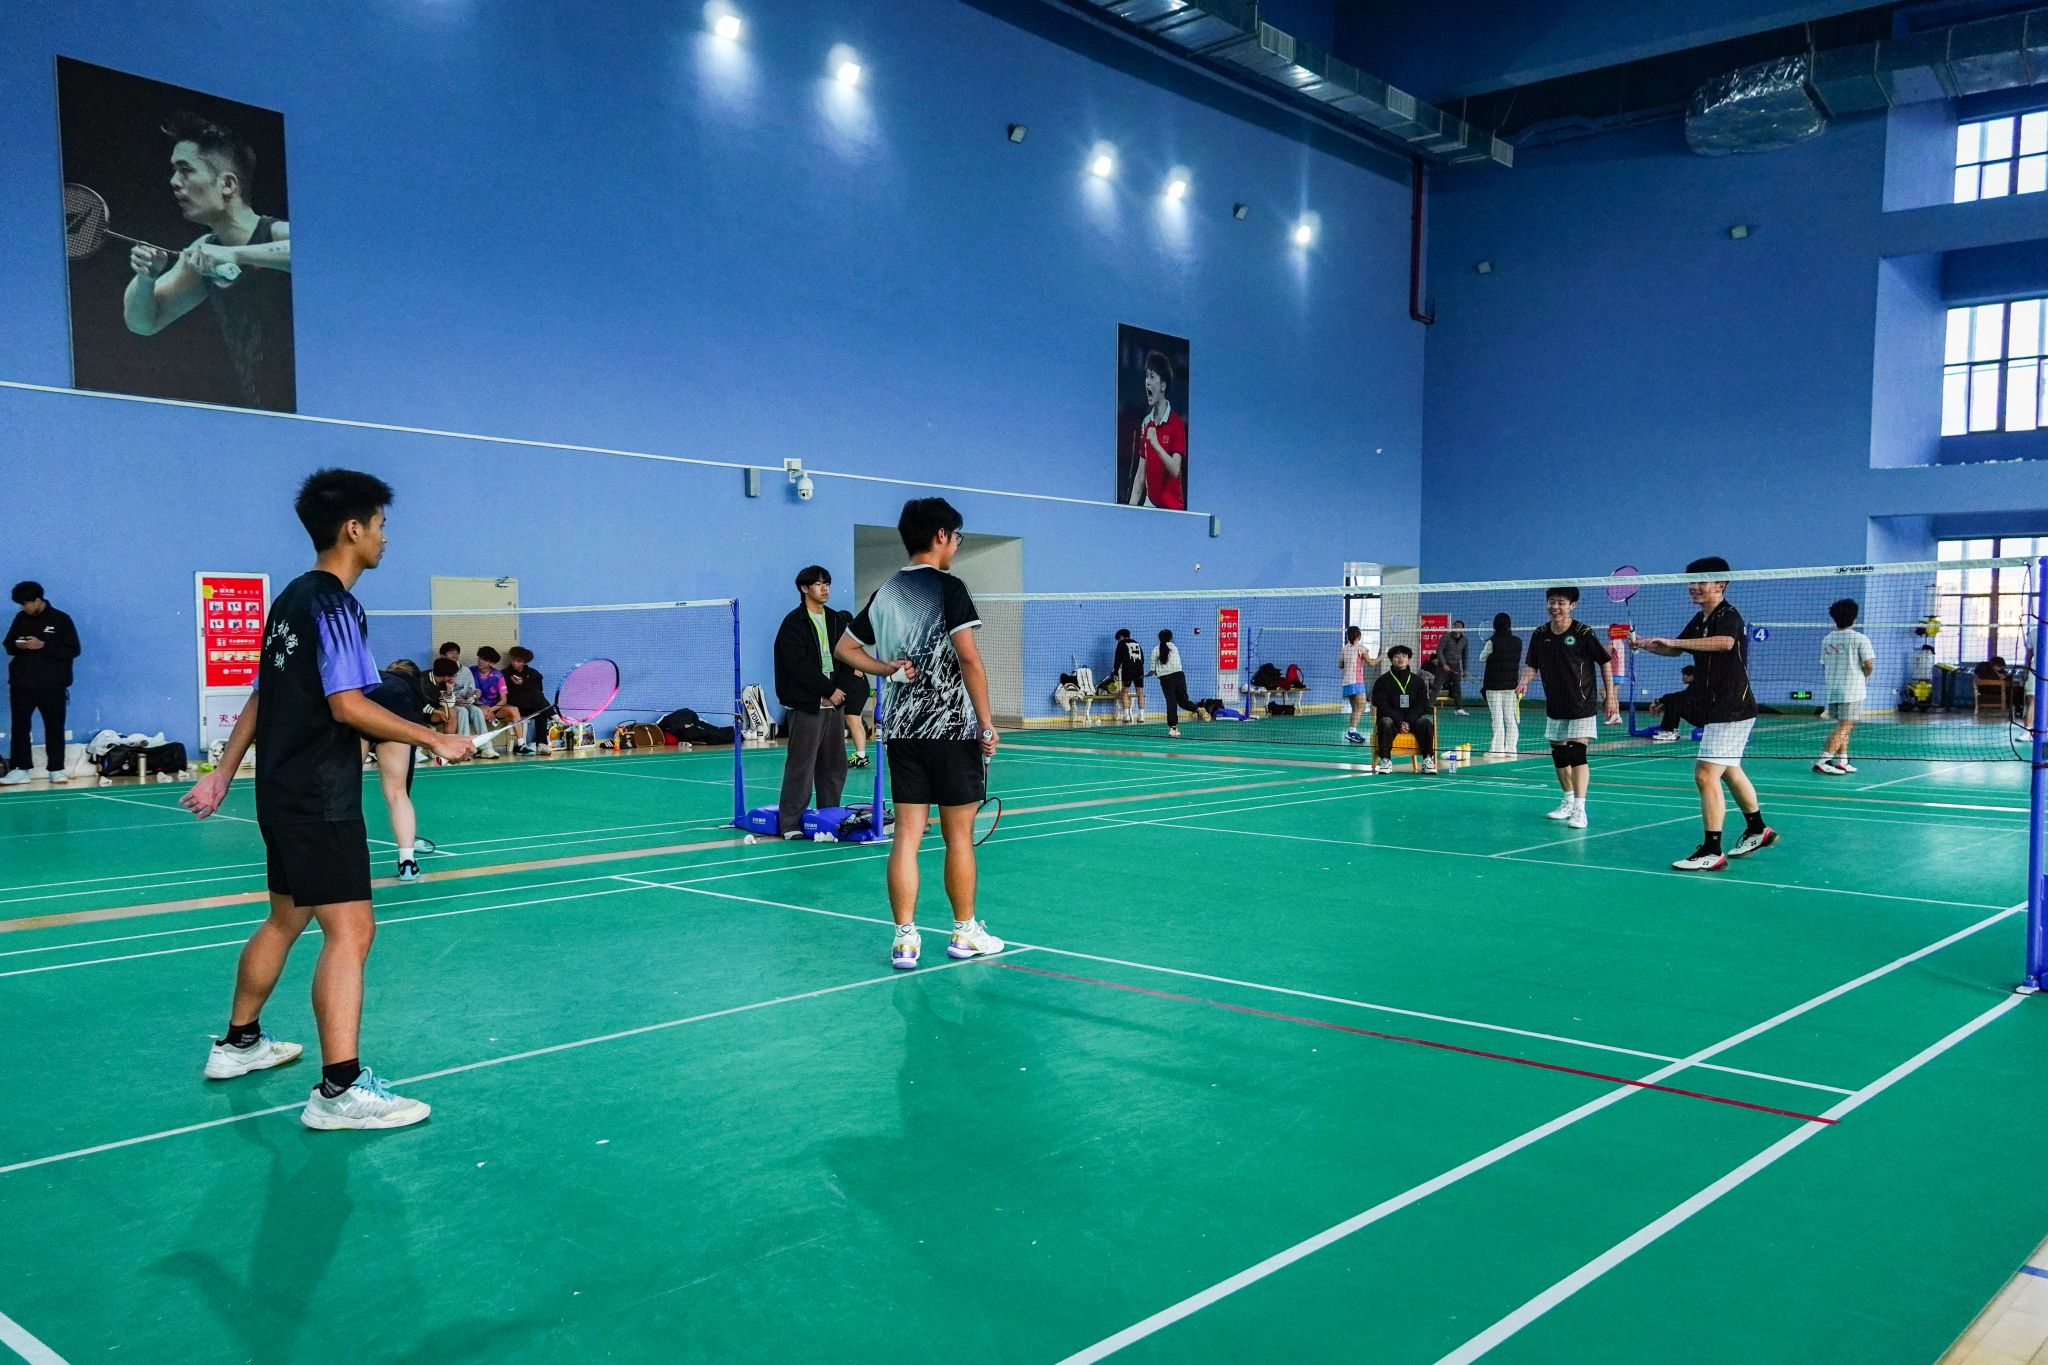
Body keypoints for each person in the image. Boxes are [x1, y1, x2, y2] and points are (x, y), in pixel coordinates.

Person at [180, 469, 473, 1130]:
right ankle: (339, 1091)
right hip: (320, 794)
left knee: (286, 918)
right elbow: (347, 705)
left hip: (282, 790)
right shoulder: (337, 605)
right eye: (381, 525)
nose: (385, 537)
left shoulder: (290, 599)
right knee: (352, 929)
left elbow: (263, 696)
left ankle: (239, 1044)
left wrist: (224, 772)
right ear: (353, 528)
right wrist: (435, 737)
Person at [834, 497, 1004, 970]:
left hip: (903, 732)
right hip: (951, 731)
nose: (957, 545)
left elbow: (845, 648)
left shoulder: (886, 592)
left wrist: (885, 667)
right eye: (957, 536)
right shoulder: (949, 587)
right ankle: (964, 931)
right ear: (941, 535)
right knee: (958, 837)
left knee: (907, 836)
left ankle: (905, 940)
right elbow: (969, 659)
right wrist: (987, 722)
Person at [122, 111, 295, 412]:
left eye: (185, 170)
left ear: (227, 184)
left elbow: (316, 258)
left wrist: (236, 254)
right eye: (174, 171)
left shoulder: (276, 232)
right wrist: (146, 279)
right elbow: (144, 323)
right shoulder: (204, 250)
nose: (174, 182)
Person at [1636, 557, 1776, 871]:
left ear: (1721, 584)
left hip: (1731, 706)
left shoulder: (1729, 615)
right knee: (1729, 769)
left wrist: (1675, 641)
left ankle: (1712, 851)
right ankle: (1758, 829)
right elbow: (1676, 649)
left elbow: (1725, 643)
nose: (1694, 587)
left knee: (1705, 774)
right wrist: (1647, 645)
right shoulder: (1701, 618)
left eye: (1702, 581)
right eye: (1692, 581)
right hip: (1724, 706)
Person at [1518, 586, 1621, 830]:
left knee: (1577, 754)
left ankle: (1580, 809)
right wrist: (1523, 681)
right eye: (1551, 601)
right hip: (1555, 703)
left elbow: (1605, 662)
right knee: (1559, 755)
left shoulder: (1583, 632)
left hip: (1582, 702)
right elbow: (1532, 665)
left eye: (1561, 602)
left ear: (1572, 606)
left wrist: (1610, 697)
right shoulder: (1540, 633)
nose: (1555, 606)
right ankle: (1567, 801)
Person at [773, 565, 852, 839]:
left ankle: (828, 817)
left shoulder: (836, 620)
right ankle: (790, 823)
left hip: (834, 703)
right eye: (818, 584)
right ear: (804, 588)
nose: (825, 588)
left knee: (835, 764)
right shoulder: (793, 623)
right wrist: (827, 689)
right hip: (807, 704)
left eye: (827, 583)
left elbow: (846, 656)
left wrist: (839, 690)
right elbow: (798, 666)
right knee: (802, 765)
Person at [3, 582, 82, 785]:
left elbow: (73, 650)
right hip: (22, 683)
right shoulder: (21, 618)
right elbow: (9, 644)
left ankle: (56, 769)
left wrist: (43, 645)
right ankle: (21, 769)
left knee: (54, 727)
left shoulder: (61, 619)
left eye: (26, 603)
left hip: (52, 684)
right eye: (21, 605)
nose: (24, 608)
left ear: (38, 600)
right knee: (20, 727)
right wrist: (21, 645)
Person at [364, 659, 433, 881]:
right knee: (397, 793)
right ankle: (407, 863)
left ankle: (347, 860)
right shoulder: (410, 691)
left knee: (347, 790)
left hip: (362, 713)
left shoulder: (372, 676)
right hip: (396, 718)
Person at [1817, 600, 1875, 774]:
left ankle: (1843, 761)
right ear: (1855, 617)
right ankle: (1824, 760)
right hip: (1852, 691)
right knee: (1845, 727)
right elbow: (1869, 665)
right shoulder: (1860, 638)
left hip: (1833, 690)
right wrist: (1864, 676)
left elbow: (1824, 664)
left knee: (1844, 725)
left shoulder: (1827, 639)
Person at [1125, 351, 1187, 510]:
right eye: (1146, 376)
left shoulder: (1177, 424)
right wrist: (1128, 511)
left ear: (1163, 386)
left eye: (1152, 377)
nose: (1147, 382)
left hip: (1172, 509)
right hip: (1150, 504)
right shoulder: (1146, 423)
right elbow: (1140, 474)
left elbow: (1175, 469)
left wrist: (1156, 445)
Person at [1370, 645, 1437, 775]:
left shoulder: (1418, 682)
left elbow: (1421, 705)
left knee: (1425, 723)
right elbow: (1382, 706)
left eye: (1404, 656)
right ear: (1391, 660)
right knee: (1384, 722)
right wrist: (1399, 722)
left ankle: (1428, 759)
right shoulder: (1382, 681)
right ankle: (1386, 760)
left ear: (1409, 659)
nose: (1401, 659)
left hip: (1413, 721)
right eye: (1397, 656)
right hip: (1392, 722)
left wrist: (1409, 722)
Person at [1478, 613, 1522, 757]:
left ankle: (1497, 750)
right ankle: (1511, 750)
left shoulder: (1493, 641)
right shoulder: (1518, 642)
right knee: (1510, 718)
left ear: (1495, 625)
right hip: (1511, 686)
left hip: (1493, 686)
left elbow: (1481, 658)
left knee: (1497, 719)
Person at [1149, 628, 1198, 737]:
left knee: (1171, 702)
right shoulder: (1174, 648)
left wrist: (1152, 672)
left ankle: (1173, 728)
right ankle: (1197, 709)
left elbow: (1153, 670)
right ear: (1171, 638)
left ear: (1159, 638)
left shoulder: (1155, 650)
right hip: (1179, 676)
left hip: (1165, 679)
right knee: (1183, 701)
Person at [469, 647, 510, 757]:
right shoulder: (471, 671)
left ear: (492, 663)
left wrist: (491, 710)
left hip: (494, 707)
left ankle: (521, 744)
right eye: (480, 658)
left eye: (485, 660)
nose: (480, 661)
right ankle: (484, 748)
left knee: (514, 711)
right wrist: (484, 708)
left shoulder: (498, 676)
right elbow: (468, 694)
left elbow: (504, 700)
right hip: (477, 705)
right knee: (481, 712)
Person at [1339, 626, 1376, 745]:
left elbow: (1340, 665)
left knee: (1355, 709)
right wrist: (1383, 656)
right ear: (1359, 635)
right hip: (1357, 682)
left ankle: (1352, 731)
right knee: (1361, 707)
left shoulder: (1344, 648)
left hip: (1347, 683)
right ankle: (1352, 731)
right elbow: (1371, 663)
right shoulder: (1361, 648)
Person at [1650, 665, 1699, 741]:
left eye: (1687, 674)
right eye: (1683, 674)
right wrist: (1663, 704)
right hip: (1699, 716)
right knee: (1673, 702)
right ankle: (1670, 731)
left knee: (1674, 704)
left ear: (1693, 676)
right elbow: (1679, 697)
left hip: (1702, 720)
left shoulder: (1697, 687)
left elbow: (1678, 696)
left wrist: (1658, 701)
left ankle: (1670, 732)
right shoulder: (1694, 687)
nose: (1684, 677)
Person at [1433, 620, 1471, 715]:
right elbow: (1439, 651)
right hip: (1443, 666)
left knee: (1457, 687)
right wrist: (1443, 664)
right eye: (1455, 625)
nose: (1456, 627)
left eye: (1459, 626)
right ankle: (1428, 707)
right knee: (1436, 686)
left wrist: (1465, 670)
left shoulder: (1464, 640)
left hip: (1456, 666)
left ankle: (1458, 709)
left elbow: (1465, 655)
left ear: (1462, 629)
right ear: (1453, 627)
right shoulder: (1445, 637)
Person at [1110, 628, 1146, 723]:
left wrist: (1115, 672)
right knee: (1140, 692)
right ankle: (1142, 716)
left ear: (1121, 636)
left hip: (1128, 670)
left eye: (1118, 639)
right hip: (1139, 670)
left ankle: (1126, 716)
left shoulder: (1121, 643)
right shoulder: (1137, 643)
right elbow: (1142, 659)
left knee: (1124, 691)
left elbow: (1118, 659)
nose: (1119, 640)